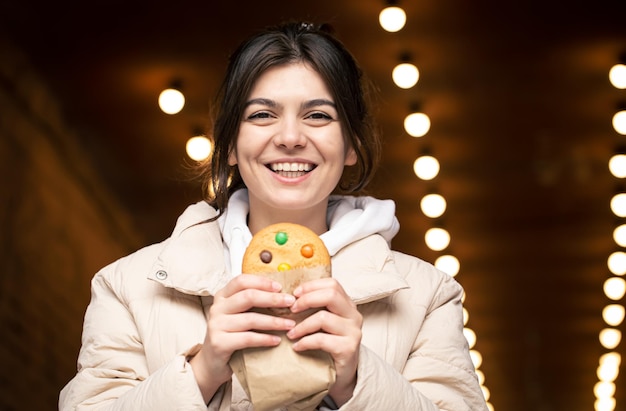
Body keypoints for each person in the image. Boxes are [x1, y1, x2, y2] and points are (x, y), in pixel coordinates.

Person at [59, 21, 488, 410]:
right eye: (262, 115)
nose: (289, 138)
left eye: (318, 116)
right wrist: (203, 371)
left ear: (352, 144)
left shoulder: (428, 295)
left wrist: (357, 379)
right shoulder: (127, 287)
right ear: (229, 144)